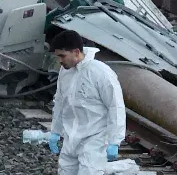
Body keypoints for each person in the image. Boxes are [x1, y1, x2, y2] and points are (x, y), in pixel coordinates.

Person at [48, 29, 126, 175]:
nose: (59, 60)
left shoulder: (100, 72)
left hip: (94, 139)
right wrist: (56, 130)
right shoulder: (65, 72)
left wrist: (115, 141)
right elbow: (59, 101)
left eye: (62, 56)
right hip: (71, 136)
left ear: (76, 52)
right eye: (57, 56)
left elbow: (116, 107)